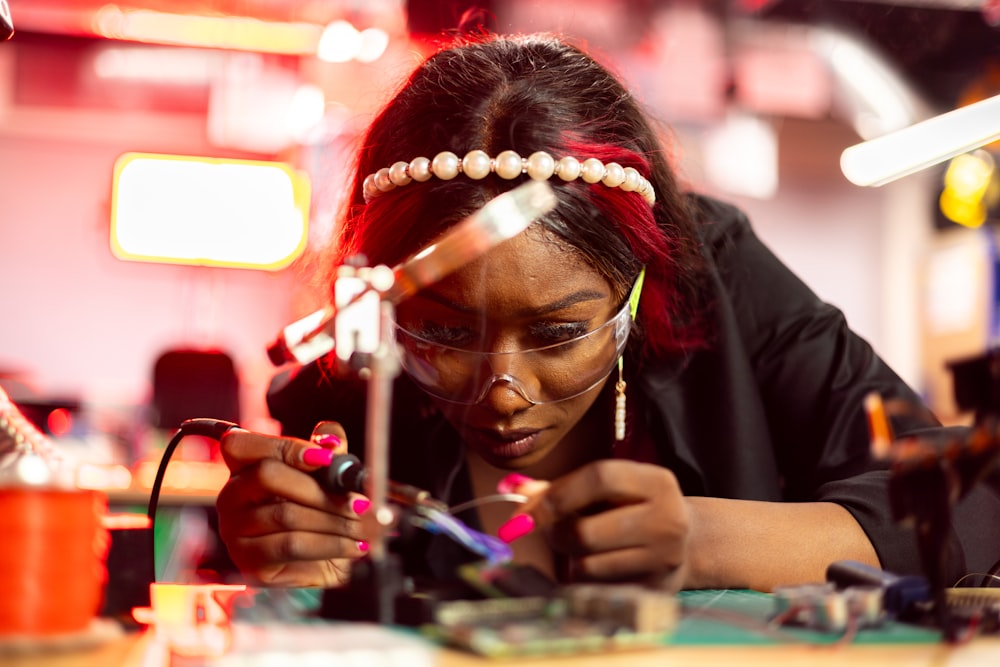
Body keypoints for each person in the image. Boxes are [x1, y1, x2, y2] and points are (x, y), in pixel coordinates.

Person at [215, 31, 1000, 595]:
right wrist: (279, 545)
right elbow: (305, 575)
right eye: (446, 331)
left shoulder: (717, 276)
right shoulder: (351, 374)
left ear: (641, 286)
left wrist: (704, 541)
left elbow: (973, 496)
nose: (504, 389)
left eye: (559, 331)